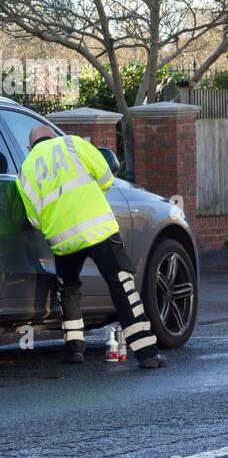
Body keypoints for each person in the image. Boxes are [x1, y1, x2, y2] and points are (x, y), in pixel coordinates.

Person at [15, 125, 167, 369]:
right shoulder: (71, 143)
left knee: (69, 289)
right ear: (53, 136)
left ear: (29, 147)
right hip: (98, 230)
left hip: (63, 241)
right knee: (122, 286)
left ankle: (74, 348)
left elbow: (33, 220)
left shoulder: (24, 172)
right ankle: (146, 353)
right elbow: (106, 177)